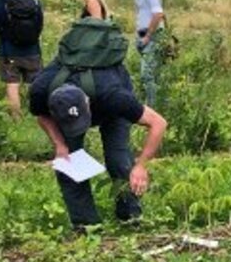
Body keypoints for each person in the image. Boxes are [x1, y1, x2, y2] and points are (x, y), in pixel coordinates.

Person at [29, 18, 168, 232]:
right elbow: (41, 116)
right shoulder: (41, 88)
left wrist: (141, 165)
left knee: (119, 159)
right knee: (68, 162)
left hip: (110, 106)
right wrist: (59, 144)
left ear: (87, 103)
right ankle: (85, 225)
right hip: (76, 102)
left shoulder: (114, 96)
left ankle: (130, 217)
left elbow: (158, 123)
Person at [0, 0, 44, 119]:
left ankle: (16, 119)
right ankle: (38, 116)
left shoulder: (0, 0)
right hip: (32, 49)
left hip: (8, 50)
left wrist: (5, 37)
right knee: (35, 84)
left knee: (12, 84)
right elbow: (39, 24)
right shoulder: (34, 0)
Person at [120, 0, 165, 106]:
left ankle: (152, 108)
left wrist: (148, 36)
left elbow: (158, 13)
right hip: (144, 36)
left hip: (152, 36)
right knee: (151, 73)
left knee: (147, 73)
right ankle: (156, 103)